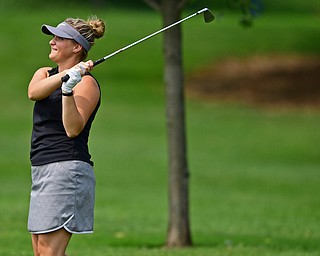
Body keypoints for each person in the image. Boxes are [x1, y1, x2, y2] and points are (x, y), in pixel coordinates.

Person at [27, 16, 106, 256]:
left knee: (50, 253)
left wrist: (68, 90)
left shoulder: (87, 85)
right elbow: (33, 92)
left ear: (76, 47)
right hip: (41, 168)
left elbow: (73, 129)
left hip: (66, 168)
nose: (52, 42)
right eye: (53, 37)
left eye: (60, 38)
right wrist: (65, 76)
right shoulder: (44, 73)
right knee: (41, 252)